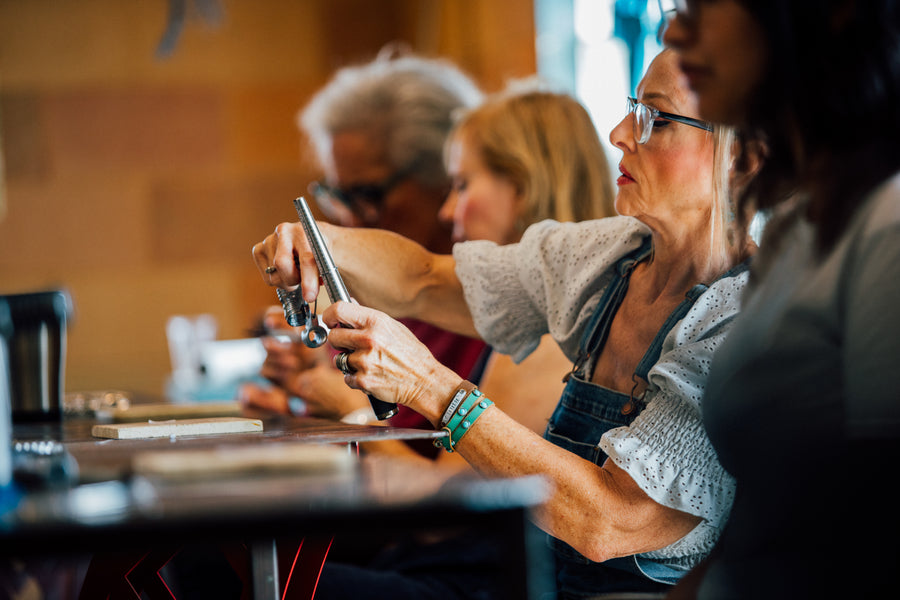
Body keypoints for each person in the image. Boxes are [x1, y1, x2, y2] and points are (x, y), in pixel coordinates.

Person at [254, 48, 757, 598]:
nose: (618, 133)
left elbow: (612, 521)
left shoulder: (745, 323)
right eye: (632, 108)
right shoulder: (609, 257)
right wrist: (323, 243)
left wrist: (429, 385)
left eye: (655, 119)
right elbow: (424, 278)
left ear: (745, 159)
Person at [661, 1, 900, 598]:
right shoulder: (796, 227)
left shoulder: (889, 226)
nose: (674, 30)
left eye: (705, 5)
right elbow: (770, 516)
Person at [238, 50, 488, 457]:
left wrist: (352, 415)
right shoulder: (364, 292)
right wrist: (304, 396)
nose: (350, 223)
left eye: (368, 195)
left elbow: (453, 481)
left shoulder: (495, 307)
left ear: (445, 179)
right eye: (337, 196)